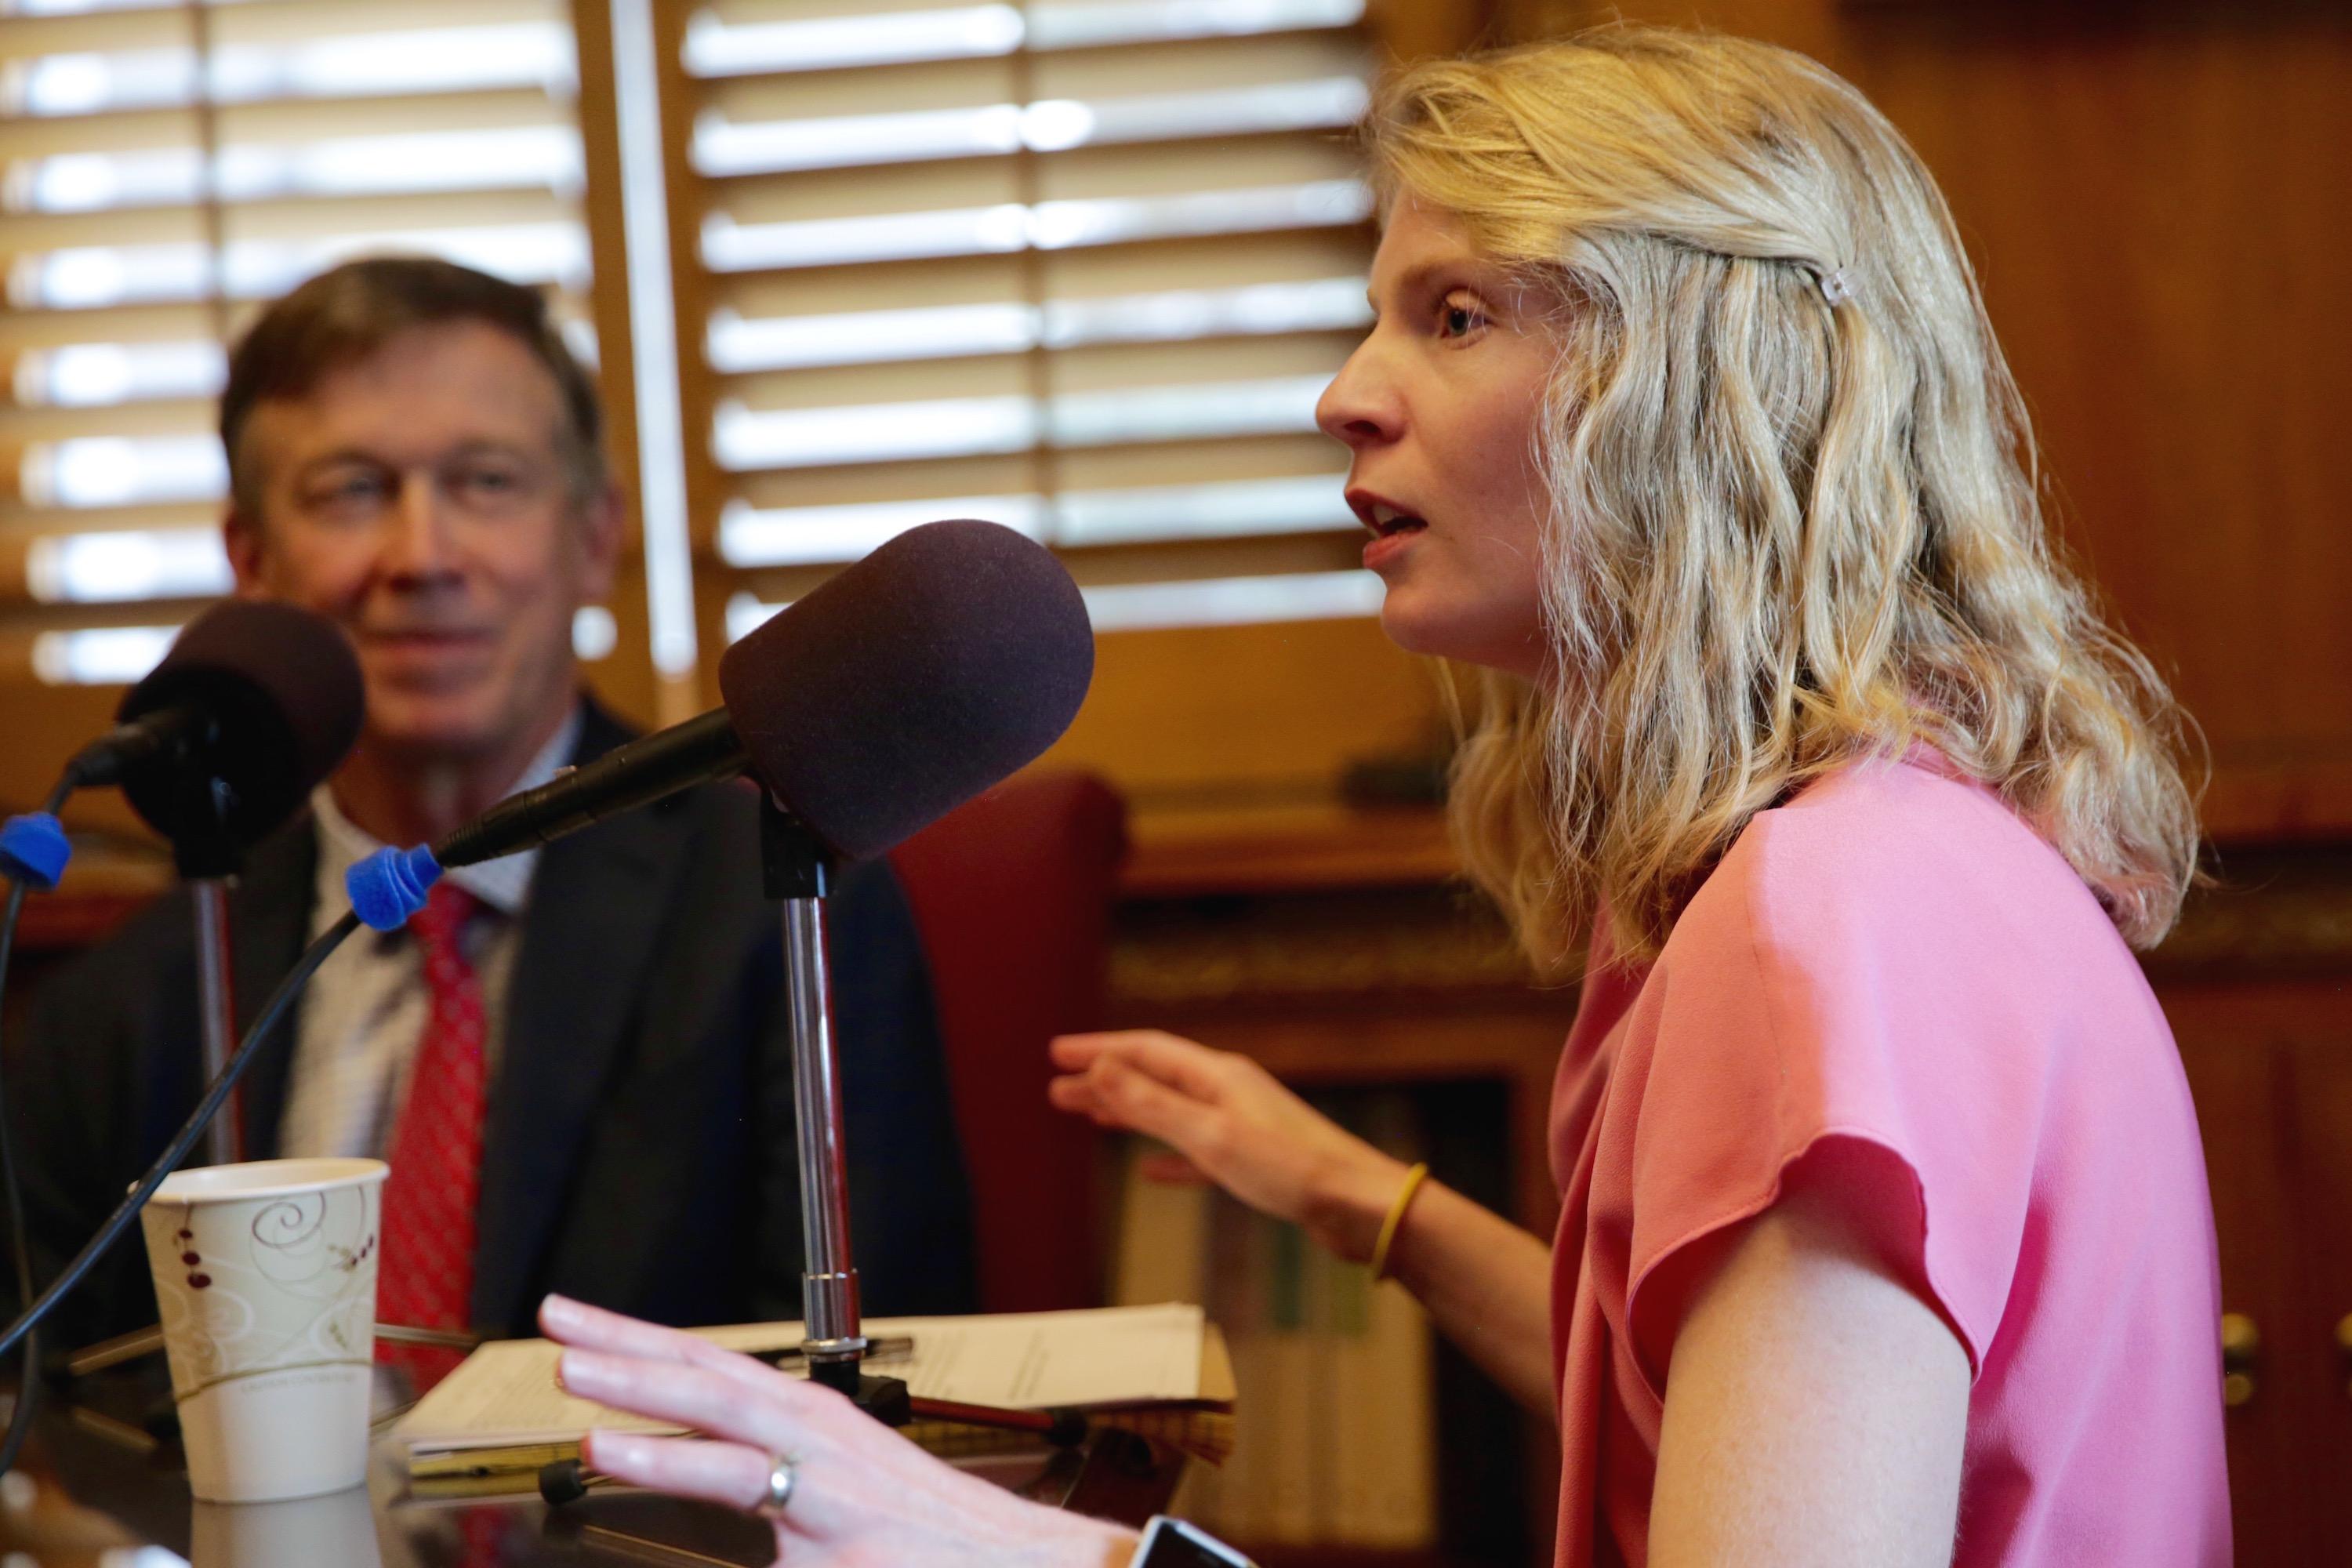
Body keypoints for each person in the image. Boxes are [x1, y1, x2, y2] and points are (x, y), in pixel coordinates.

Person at [532, 27, 2227, 1568]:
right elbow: (1705, 1418)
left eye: (1457, 314)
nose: (1345, 389)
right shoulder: (1896, 846)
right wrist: (1361, 1198)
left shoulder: (1827, 923)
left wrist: (1010, 1549)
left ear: (1699, 384)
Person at [13, 258, 980, 1363]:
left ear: (593, 537)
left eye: (486, 482)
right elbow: (61, 1438)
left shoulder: (785, 902)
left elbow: (899, 1386)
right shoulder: (131, 1006)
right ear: (252, 560)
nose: (423, 559)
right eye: (351, 492)